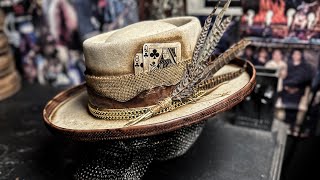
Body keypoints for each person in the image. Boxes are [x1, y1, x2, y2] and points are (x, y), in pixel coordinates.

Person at [281, 49, 313, 135]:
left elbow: (306, 79)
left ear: (301, 56)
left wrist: (296, 88)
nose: (296, 56)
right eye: (294, 54)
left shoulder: (305, 67)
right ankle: (285, 126)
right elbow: (282, 77)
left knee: (294, 110)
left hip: (297, 92)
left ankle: (292, 126)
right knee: (286, 108)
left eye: (298, 54)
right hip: (286, 91)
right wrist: (286, 87)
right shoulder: (287, 65)